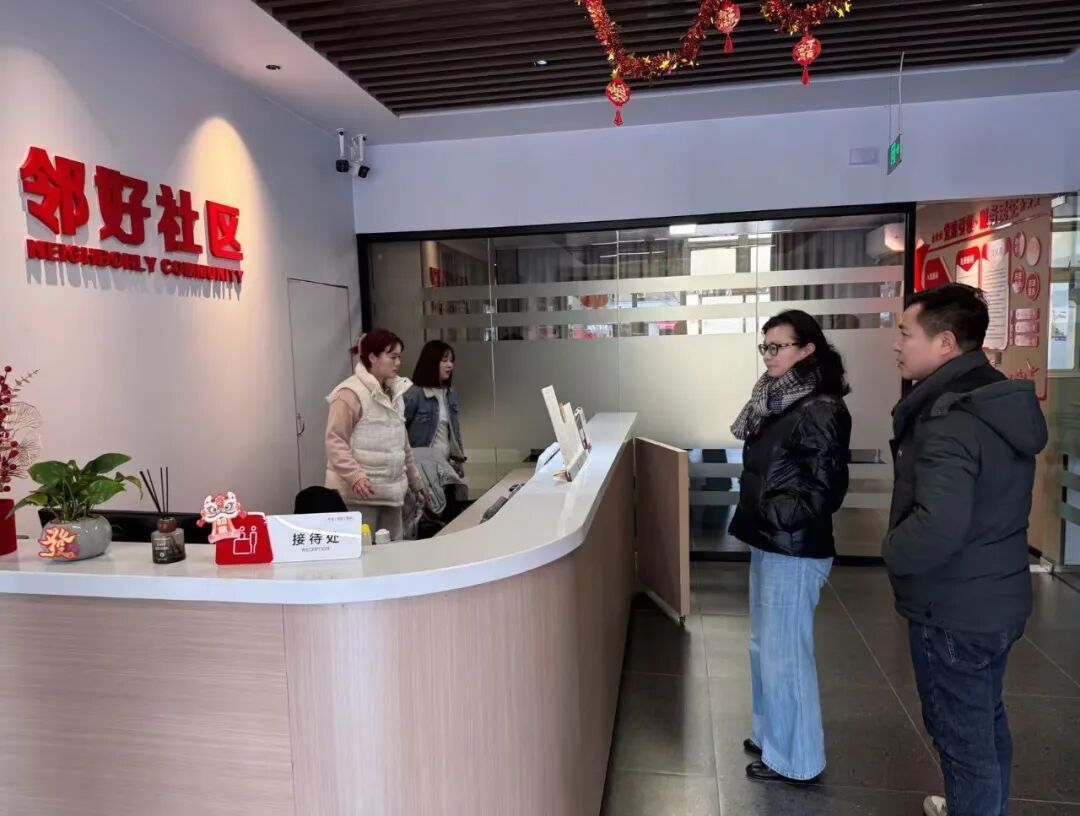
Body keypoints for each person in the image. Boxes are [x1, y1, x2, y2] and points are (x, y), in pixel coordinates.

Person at [885, 284, 1047, 816]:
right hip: (998, 596)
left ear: (946, 343)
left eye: (906, 334)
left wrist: (893, 551)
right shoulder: (997, 399)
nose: (897, 345)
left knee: (962, 740)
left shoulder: (950, 418)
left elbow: (939, 523)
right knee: (985, 721)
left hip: (954, 607)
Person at [729, 310, 852, 785]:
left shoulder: (820, 407)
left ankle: (797, 760)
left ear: (808, 350)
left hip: (793, 545)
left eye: (778, 346)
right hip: (770, 538)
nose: (769, 355)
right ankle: (771, 735)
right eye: (766, 346)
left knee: (786, 655)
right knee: (764, 646)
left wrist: (775, 515)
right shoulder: (776, 400)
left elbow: (825, 490)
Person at [324, 329, 424, 542]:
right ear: (372, 357)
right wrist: (355, 476)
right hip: (359, 498)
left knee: (393, 553)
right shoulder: (348, 394)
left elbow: (403, 444)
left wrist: (416, 481)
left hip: (392, 495)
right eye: (392, 357)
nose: (398, 363)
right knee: (364, 553)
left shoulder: (396, 392)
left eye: (399, 357)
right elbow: (335, 441)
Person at [403, 340, 466, 476]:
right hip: (421, 466)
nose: (450, 365)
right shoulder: (415, 394)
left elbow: (455, 429)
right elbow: (400, 430)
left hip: (445, 465)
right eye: (444, 360)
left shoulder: (450, 393)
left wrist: (459, 459)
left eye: (451, 360)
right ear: (431, 363)